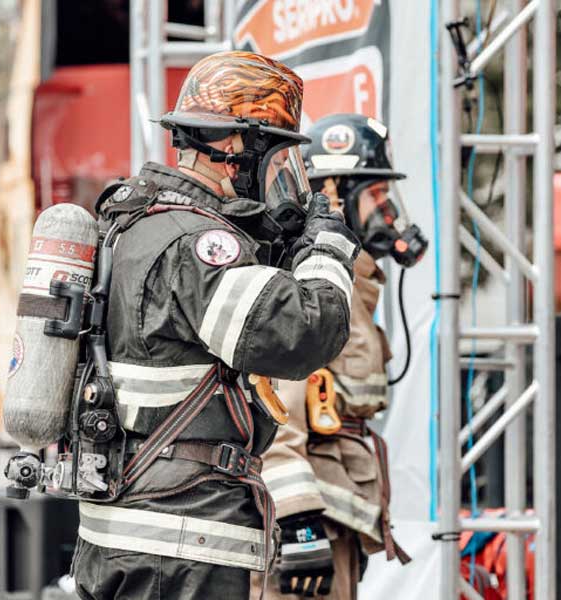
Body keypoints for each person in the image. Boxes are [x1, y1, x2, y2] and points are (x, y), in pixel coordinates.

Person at [71, 52, 360, 600]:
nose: (282, 181)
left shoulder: (133, 224)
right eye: (276, 159)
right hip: (178, 544)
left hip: (122, 533)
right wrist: (327, 250)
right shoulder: (197, 244)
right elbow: (303, 334)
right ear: (233, 150)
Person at [252, 114, 427, 599]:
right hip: (307, 527)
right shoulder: (307, 285)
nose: (388, 213)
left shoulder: (353, 290)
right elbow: (274, 414)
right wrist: (299, 522)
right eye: (375, 196)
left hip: (336, 522)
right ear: (333, 193)